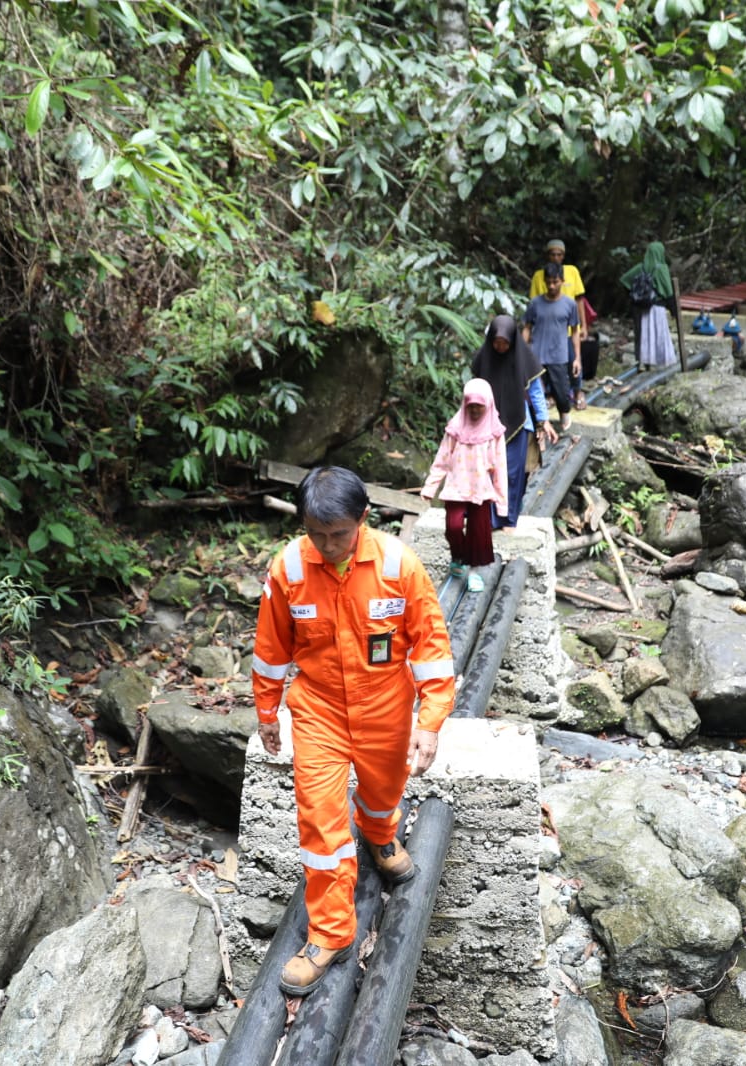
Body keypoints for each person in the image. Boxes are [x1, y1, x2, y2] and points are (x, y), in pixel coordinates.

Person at [250, 467, 456, 997]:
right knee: (320, 820)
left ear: (363, 519)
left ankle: (381, 834)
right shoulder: (290, 568)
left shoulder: (397, 566)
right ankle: (331, 932)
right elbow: (272, 648)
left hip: (384, 707)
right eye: (316, 534)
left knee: (383, 791)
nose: (327, 546)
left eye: (338, 534)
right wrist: (268, 711)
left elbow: (430, 647)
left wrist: (429, 722)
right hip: (318, 709)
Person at [421, 378, 507, 592]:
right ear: (464, 404)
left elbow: (501, 468)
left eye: (480, 406)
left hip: (481, 489)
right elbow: (442, 459)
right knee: (454, 526)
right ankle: (458, 557)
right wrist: (430, 487)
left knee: (479, 532)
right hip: (456, 486)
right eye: (471, 406)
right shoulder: (455, 429)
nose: (475, 410)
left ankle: (474, 571)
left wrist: (502, 501)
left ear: (488, 405)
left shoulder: (494, 432)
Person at [472, 315, 557, 528]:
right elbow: (473, 393)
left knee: (512, 475)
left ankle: (508, 519)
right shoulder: (484, 359)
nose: (500, 347)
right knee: (488, 472)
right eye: (496, 342)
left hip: (519, 425)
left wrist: (544, 420)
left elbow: (536, 392)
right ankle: (488, 520)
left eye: (505, 342)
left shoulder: (524, 359)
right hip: (487, 426)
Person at [528, 238, 592, 408]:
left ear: (563, 256)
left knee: (573, 362)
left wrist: (584, 325)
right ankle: (550, 395)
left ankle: (578, 392)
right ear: (547, 256)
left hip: (568, 328)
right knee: (546, 366)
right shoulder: (538, 276)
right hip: (545, 331)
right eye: (552, 254)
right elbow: (534, 305)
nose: (556, 257)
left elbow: (579, 300)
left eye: (559, 254)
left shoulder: (572, 272)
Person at [523, 263, 582, 430]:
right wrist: (522, 351)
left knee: (562, 392)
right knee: (535, 393)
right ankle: (539, 424)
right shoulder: (535, 303)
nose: (551, 286)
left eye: (555, 282)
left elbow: (575, 331)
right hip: (536, 355)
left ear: (562, 281)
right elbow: (527, 327)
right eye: (548, 282)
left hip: (559, 355)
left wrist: (577, 358)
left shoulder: (570, 304)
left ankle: (564, 415)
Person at [620, 241, 677, 370]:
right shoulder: (662, 268)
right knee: (658, 335)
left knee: (644, 336)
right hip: (657, 308)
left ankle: (643, 362)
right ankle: (659, 364)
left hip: (642, 308)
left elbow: (624, 280)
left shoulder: (641, 267)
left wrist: (633, 295)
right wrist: (674, 310)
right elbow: (668, 292)